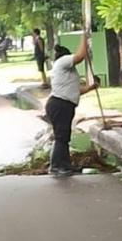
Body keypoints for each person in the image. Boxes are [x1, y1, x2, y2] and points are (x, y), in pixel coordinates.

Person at [45, 35, 98, 177]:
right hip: (60, 104)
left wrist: (90, 88)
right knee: (61, 137)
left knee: (64, 136)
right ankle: (56, 166)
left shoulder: (65, 71)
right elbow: (80, 56)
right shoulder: (62, 61)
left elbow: (74, 90)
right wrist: (84, 37)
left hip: (63, 104)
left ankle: (65, 164)